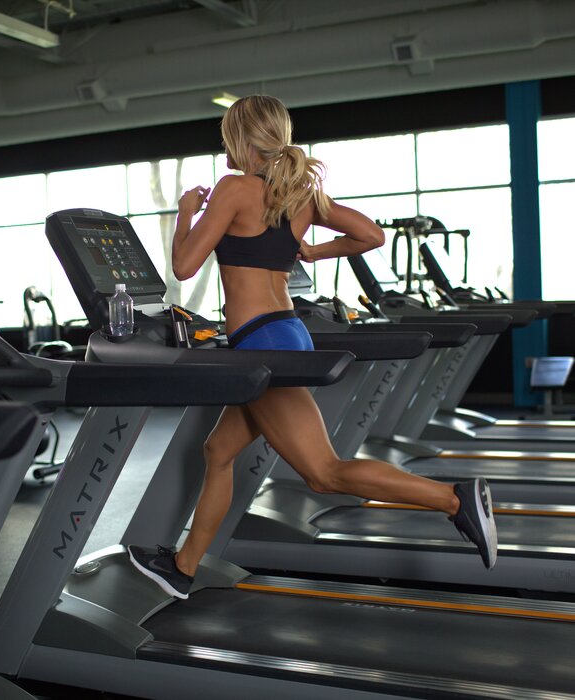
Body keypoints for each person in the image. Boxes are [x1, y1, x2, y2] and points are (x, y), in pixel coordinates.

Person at [128, 95, 497, 599]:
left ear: (239, 138)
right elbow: (369, 235)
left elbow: (185, 267)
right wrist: (316, 250)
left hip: (264, 344)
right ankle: (184, 568)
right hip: (284, 332)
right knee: (218, 451)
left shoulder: (233, 189)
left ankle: (454, 499)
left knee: (324, 473)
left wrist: (187, 213)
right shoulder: (298, 195)